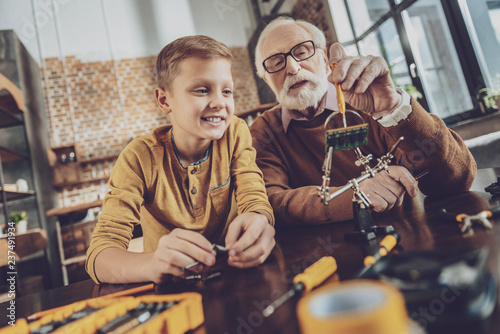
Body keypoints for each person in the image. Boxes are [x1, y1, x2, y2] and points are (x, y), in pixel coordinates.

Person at [86, 35, 275, 284]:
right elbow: (99, 255)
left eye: (227, 91)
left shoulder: (235, 132)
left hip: (237, 276)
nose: (220, 102)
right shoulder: (138, 158)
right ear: (164, 100)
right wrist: (152, 264)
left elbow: (254, 196)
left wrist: (260, 219)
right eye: (202, 90)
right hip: (172, 288)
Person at [250, 17, 476, 224]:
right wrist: (355, 195)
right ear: (266, 79)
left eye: (301, 52)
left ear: (324, 57)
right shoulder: (263, 132)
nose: (292, 67)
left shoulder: (368, 98)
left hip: (410, 239)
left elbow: (456, 179)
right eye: (275, 62)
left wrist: (393, 109)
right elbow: (271, 203)